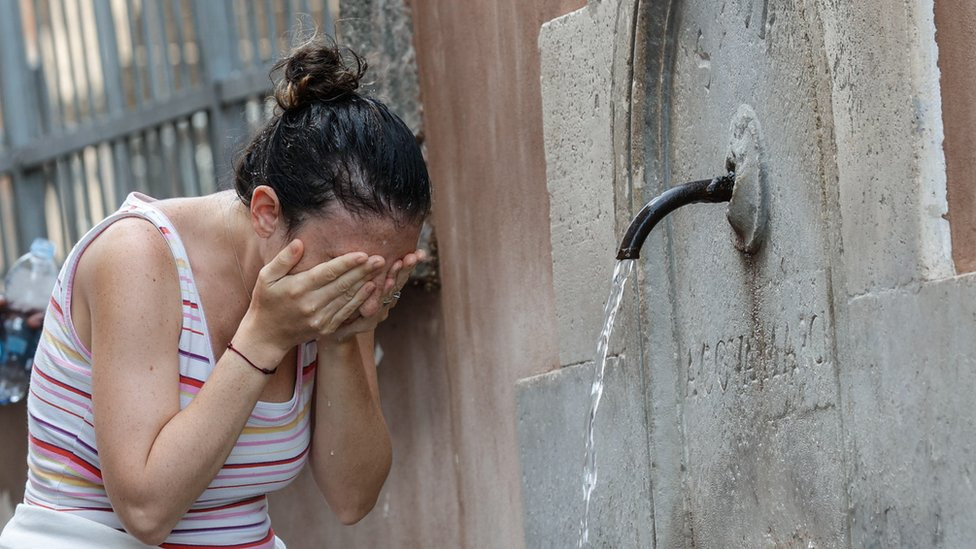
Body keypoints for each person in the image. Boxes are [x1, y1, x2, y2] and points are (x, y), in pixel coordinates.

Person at [0, 37, 430, 548]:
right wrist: (262, 338)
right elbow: (145, 509)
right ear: (267, 212)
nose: (362, 293)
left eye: (383, 276)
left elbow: (352, 497)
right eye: (346, 271)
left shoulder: (340, 283)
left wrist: (340, 339)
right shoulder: (139, 256)